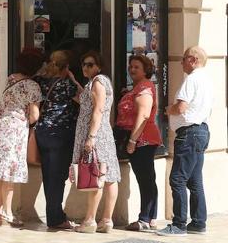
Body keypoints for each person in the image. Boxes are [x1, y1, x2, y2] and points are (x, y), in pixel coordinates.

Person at [0, 48, 43, 227]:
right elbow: (34, 116)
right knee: (9, 173)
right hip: (13, 132)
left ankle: (1, 210)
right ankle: (7, 212)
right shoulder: (33, 86)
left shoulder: (12, 78)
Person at [158, 46, 213, 237]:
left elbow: (181, 107)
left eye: (183, 59)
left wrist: (168, 110)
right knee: (195, 180)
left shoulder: (192, 79)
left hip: (189, 134)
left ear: (193, 59)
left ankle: (179, 224)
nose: (181, 62)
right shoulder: (206, 79)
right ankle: (198, 222)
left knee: (178, 179)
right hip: (201, 131)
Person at [72, 51, 121, 233]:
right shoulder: (95, 82)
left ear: (99, 66)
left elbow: (98, 110)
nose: (85, 67)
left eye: (90, 64)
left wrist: (91, 137)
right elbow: (86, 102)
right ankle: (106, 220)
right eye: (83, 64)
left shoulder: (98, 82)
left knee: (97, 176)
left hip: (97, 135)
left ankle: (90, 220)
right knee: (108, 176)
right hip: (103, 133)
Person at [32, 50, 81, 230]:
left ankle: (55, 214)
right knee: (58, 177)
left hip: (43, 132)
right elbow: (85, 100)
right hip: (60, 134)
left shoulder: (39, 82)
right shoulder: (68, 85)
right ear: (66, 67)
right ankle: (56, 217)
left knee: (48, 176)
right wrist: (74, 79)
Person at [116, 55, 162, 232]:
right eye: (131, 66)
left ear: (145, 70)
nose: (132, 69)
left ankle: (144, 218)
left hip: (143, 140)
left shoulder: (145, 88)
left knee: (145, 179)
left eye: (136, 67)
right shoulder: (137, 88)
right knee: (148, 179)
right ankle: (150, 218)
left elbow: (143, 115)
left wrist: (132, 141)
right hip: (140, 139)